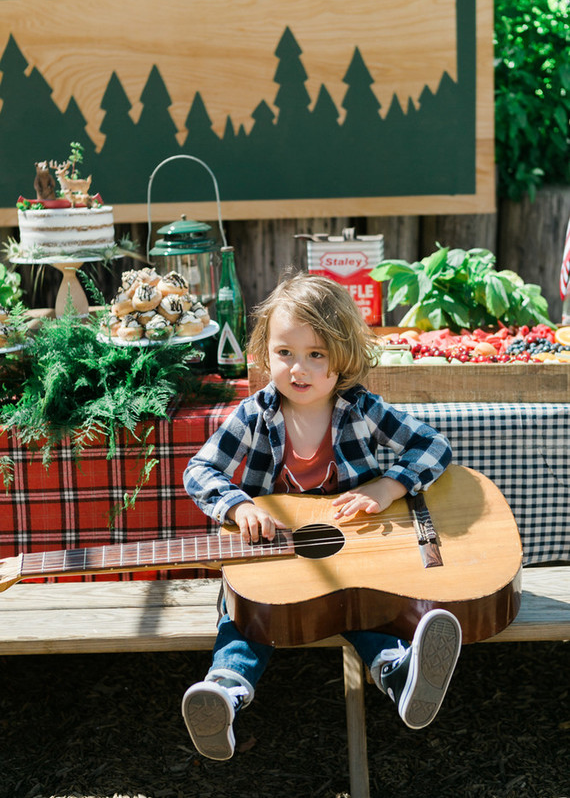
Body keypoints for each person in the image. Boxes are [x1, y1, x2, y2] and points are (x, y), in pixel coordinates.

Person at [182, 272, 461, 761]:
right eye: (285, 352)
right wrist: (238, 505)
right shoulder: (255, 415)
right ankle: (223, 694)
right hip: (282, 563)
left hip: (355, 558)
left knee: (363, 608)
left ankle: (401, 674)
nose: (299, 369)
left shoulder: (362, 410)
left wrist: (388, 484)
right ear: (265, 352)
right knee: (247, 615)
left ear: (342, 359)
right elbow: (201, 469)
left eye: (317, 355)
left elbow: (432, 445)